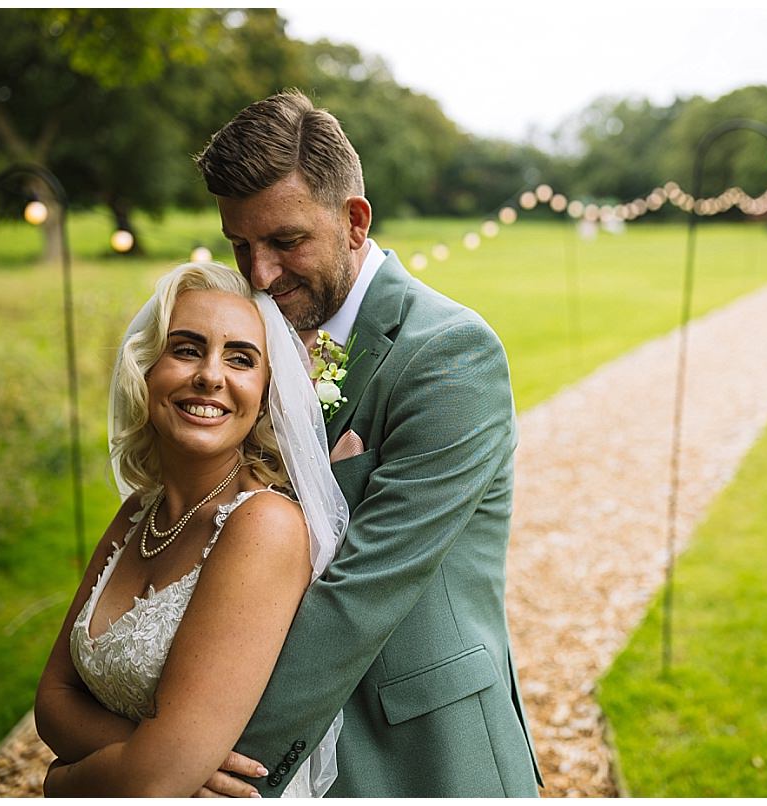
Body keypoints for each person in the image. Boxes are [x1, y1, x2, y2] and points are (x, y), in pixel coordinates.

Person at [195, 88, 542, 796]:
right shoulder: (244, 345)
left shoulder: (450, 355)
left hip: (423, 755)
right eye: (241, 245)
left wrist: (195, 762)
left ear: (355, 221)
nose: (259, 274)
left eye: (286, 242)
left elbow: (363, 591)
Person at [34, 262, 349, 796]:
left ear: (268, 392)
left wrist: (63, 782)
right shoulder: (139, 512)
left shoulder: (264, 526)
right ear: (147, 369)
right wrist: (146, 758)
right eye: (185, 349)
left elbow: (154, 781)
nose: (210, 375)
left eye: (241, 359)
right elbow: (53, 700)